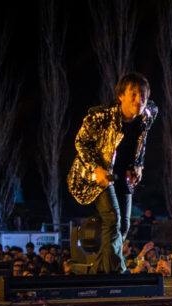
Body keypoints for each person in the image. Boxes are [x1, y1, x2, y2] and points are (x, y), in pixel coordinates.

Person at [67, 72, 158, 274]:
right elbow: (81, 142)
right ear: (121, 96)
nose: (139, 100)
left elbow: (141, 141)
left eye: (142, 95)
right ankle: (116, 272)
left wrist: (138, 164)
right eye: (133, 94)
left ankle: (94, 270)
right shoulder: (101, 115)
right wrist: (96, 168)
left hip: (121, 172)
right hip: (98, 173)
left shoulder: (149, 112)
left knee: (124, 225)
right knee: (112, 218)